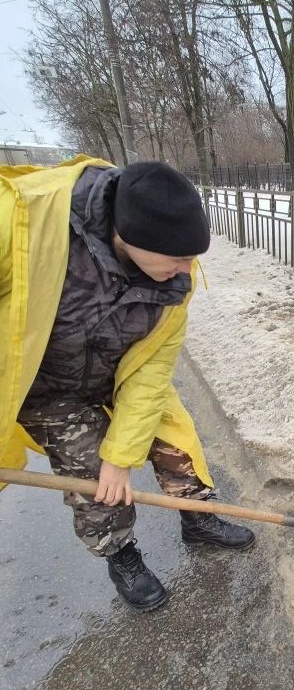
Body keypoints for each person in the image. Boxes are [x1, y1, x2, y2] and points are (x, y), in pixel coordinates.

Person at [0, 156, 255, 613]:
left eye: (192, 258)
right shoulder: (22, 220)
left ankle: (197, 516)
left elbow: (151, 374)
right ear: (129, 237)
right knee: (93, 475)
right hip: (47, 387)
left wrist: (124, 455)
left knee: (173, 439)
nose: (186, 270)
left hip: (122, 372)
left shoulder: (174, 283)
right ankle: (121, 554)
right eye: (178, 257)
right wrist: (110, 465)